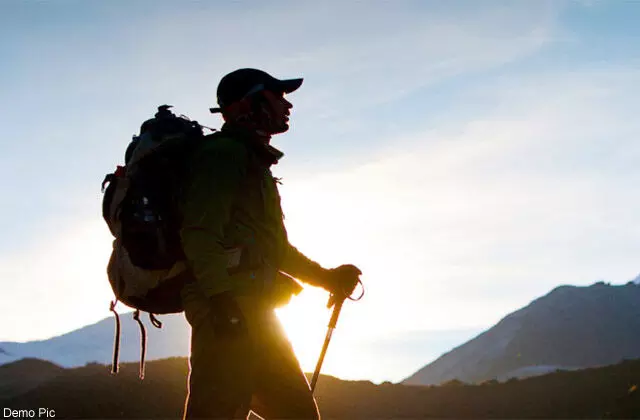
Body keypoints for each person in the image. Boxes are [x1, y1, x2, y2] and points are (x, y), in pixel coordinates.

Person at [178, 68, 362, 419]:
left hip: (253, 312)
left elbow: (275, 249)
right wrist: (221, 303)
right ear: (249, 102)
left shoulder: (253, 163)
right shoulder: (223, 155)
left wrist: (328, 279)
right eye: (277, 95)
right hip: (229, 314)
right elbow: (199, 233)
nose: (286, 104)